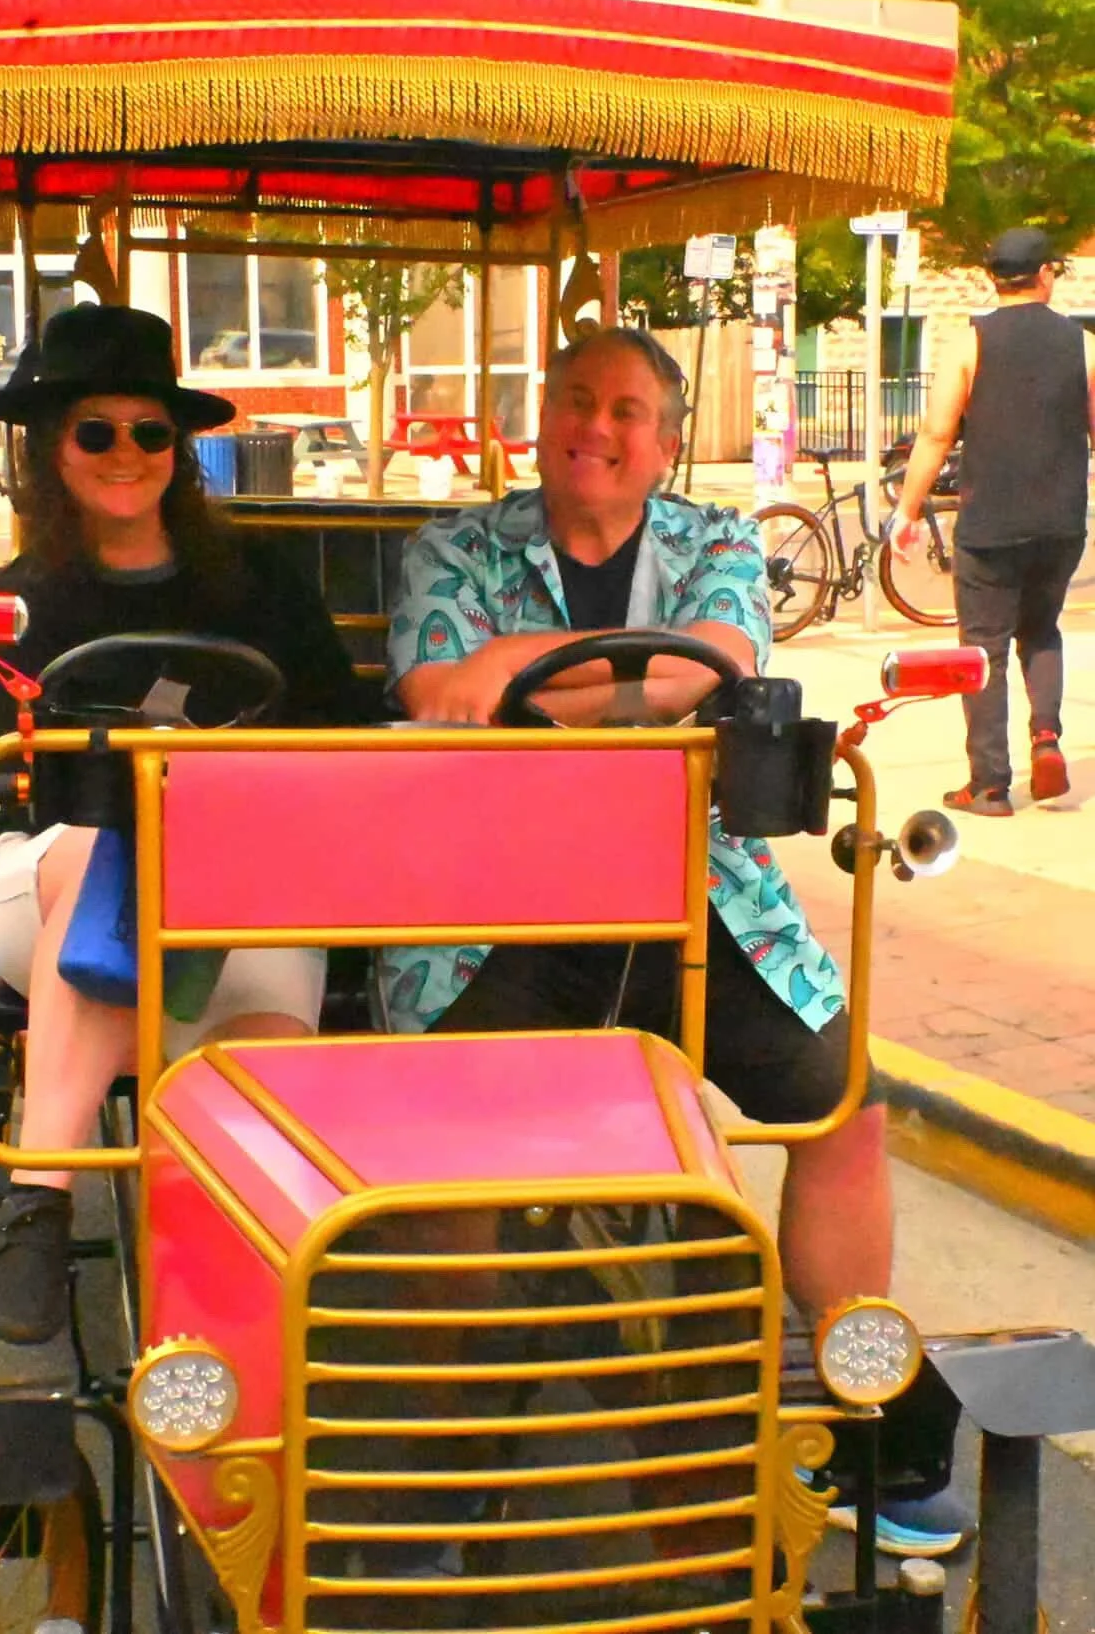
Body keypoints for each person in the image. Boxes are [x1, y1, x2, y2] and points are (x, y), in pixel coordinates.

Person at [382, 325, 971, 1558]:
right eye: (575, 401)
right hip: (494, 899)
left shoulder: (712, 539)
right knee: (445, 1143)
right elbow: (441, 692)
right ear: (540, 417)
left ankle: (859, 1368)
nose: (596, 428)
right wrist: (611, 681)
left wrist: (521, 673)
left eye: (627, 411)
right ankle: (443, 1427)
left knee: (843, 1100)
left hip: (691, 880)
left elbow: (720, 662)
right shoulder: (455, 544)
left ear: (662, 441)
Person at [0, 302, 364, 1345]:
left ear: (177, 450)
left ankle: (232, 1336)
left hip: (239, 886)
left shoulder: (259, 587)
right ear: (54, 450)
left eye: (151, 431)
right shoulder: (12, 600)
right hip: (55, 880)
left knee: (268, 1051)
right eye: (97, 431)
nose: (126, 453)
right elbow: (22, 779)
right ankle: (41, 1196)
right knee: (109, 848)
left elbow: (340, 726)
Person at [890, 227, 1095, 817]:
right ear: (1046, 275)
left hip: (989, 525)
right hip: (1060, 523)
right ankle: (1047, 736)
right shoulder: (1082, 345)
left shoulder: (970, 341)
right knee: (1042, 630)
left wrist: (907, 511)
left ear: (991, 279)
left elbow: (935, 433)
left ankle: (989, 784)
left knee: (983, 650)